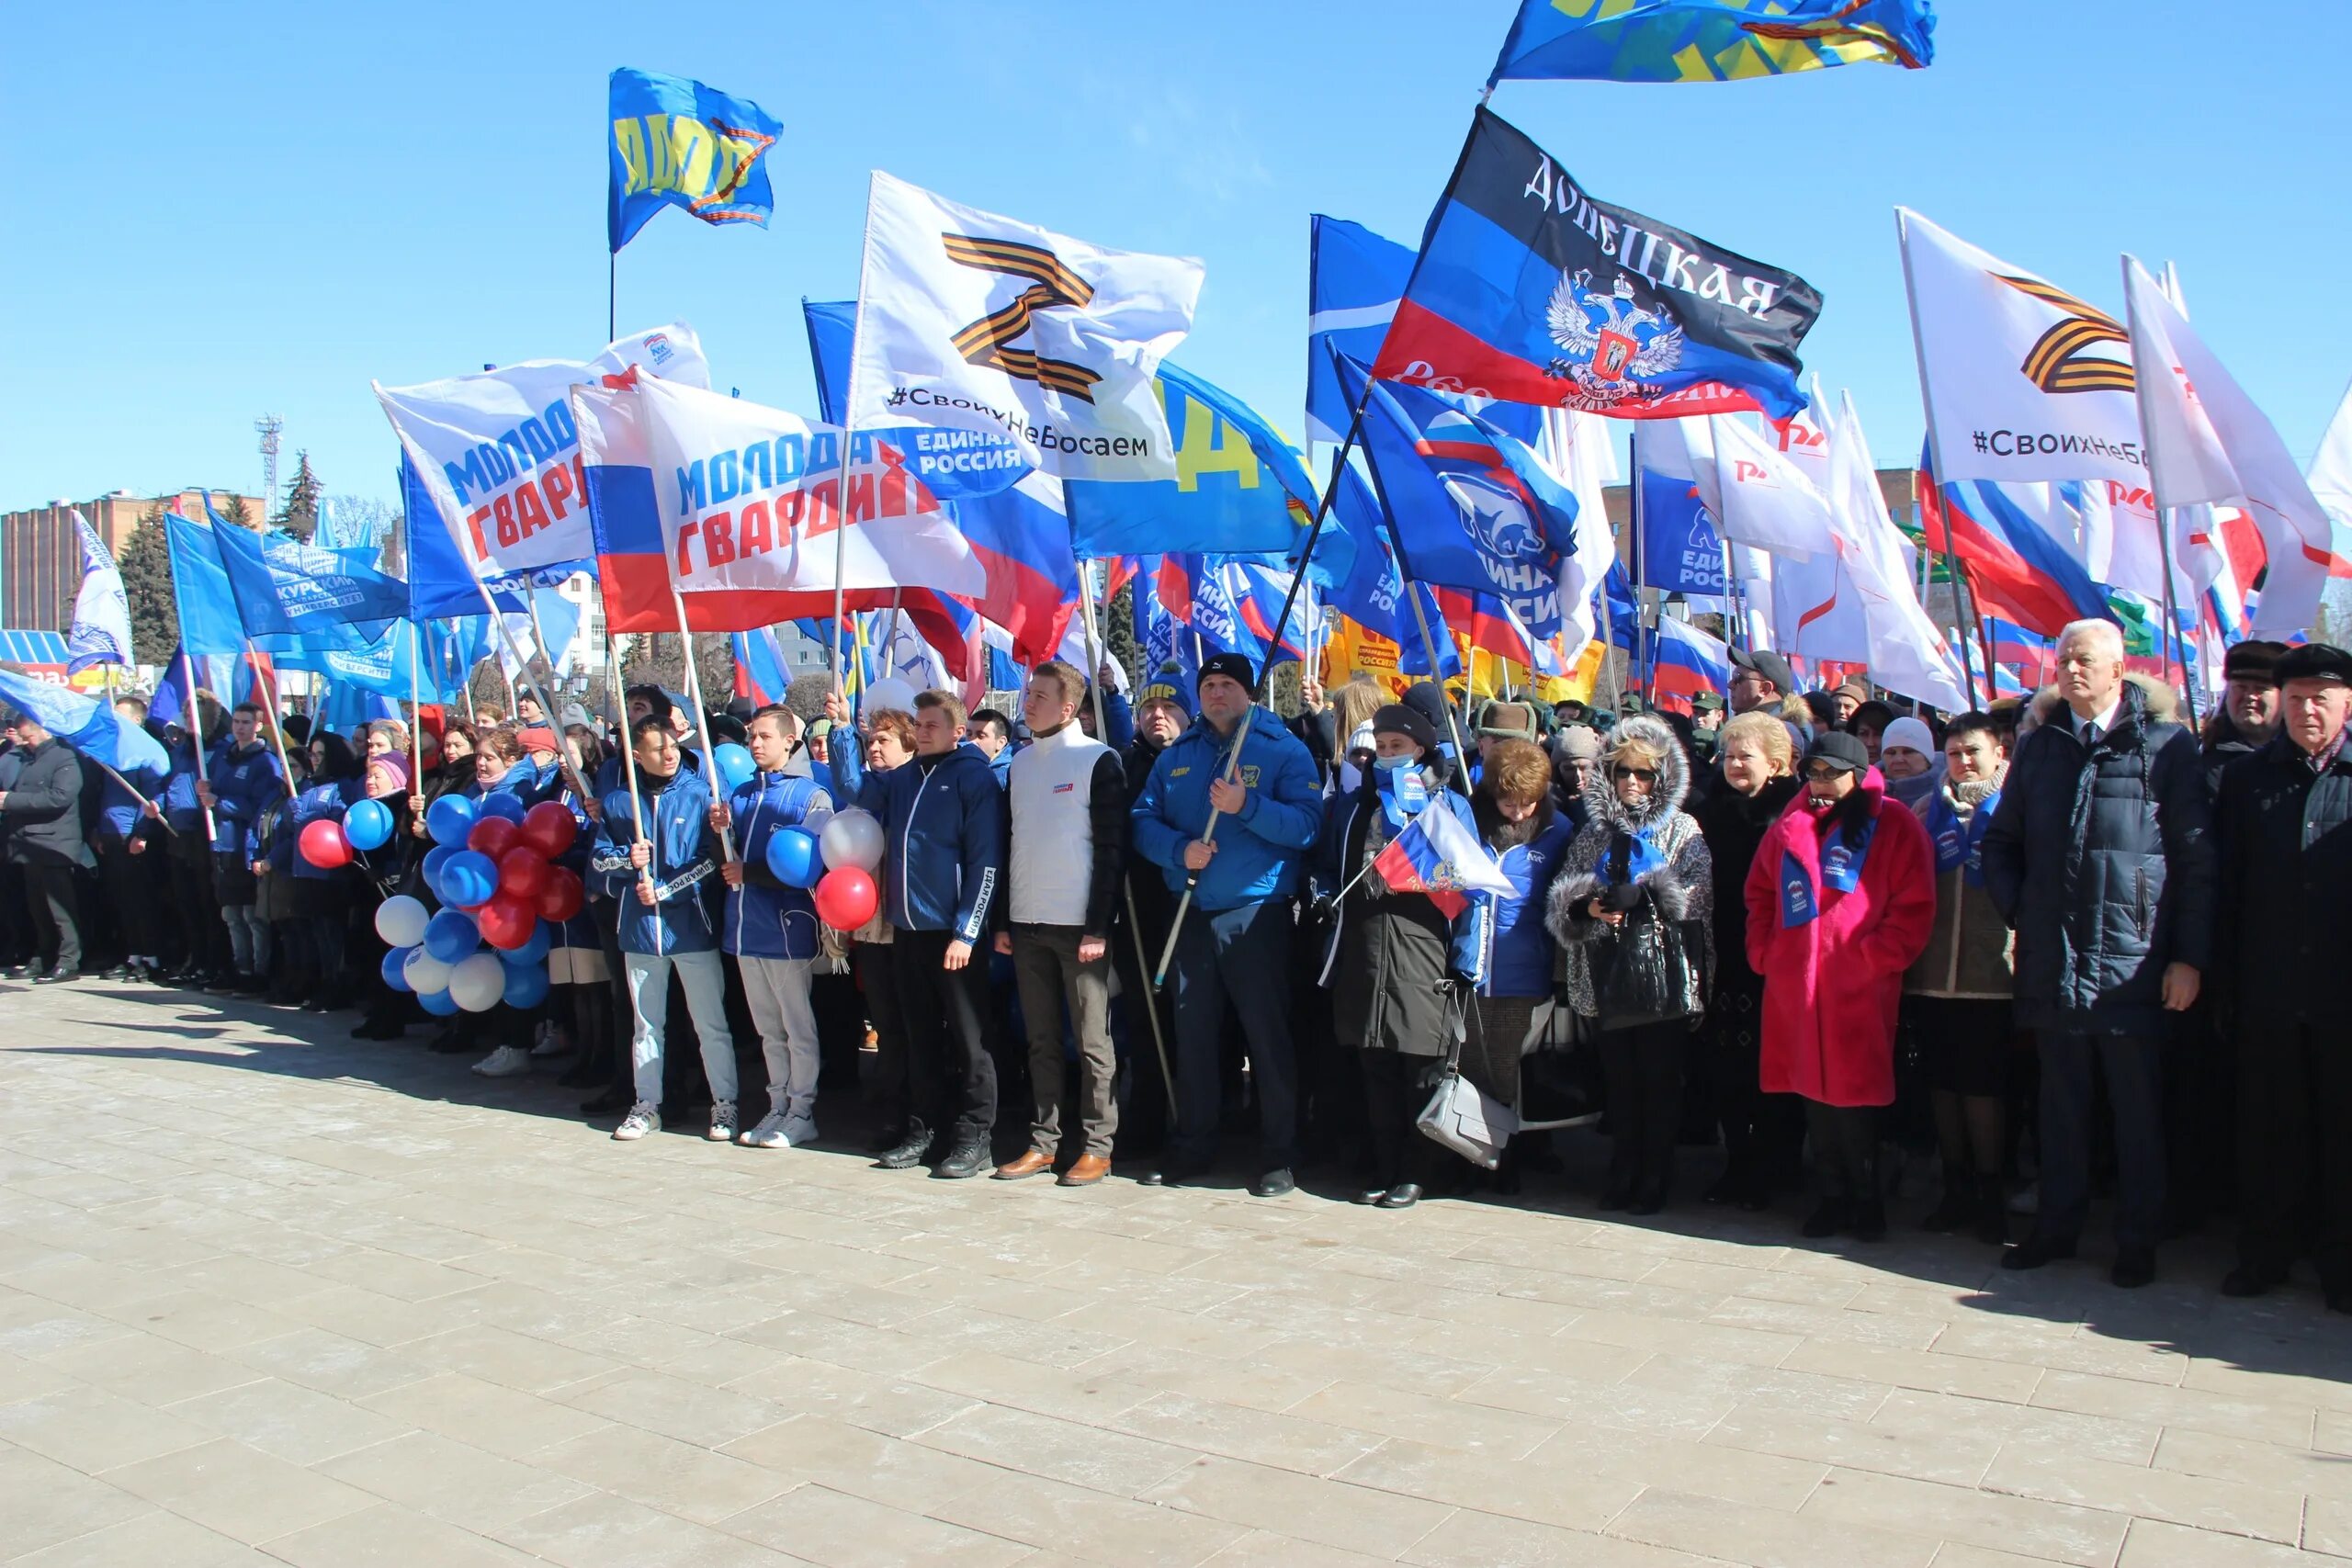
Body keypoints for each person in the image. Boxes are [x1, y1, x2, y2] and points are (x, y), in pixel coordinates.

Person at [1981, 618, 2213, 1289]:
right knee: (2061, 1105)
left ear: (2118, 669)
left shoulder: (2166, 748)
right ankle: (2057, 1226)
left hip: (2132, 965)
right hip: (2055, 958)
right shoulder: (2041, 748)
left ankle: (2137, 1238)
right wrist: (2022, 908)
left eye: (2084, 659)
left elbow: (2196, 862)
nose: (2071, 670)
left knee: (2137, 1111)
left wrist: (2187, 957)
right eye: (2063, 660)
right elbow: (2001, 843)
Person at [1131, 653, 1322, 1196]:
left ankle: (1280, 1153)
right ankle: (1194, 1143)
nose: (1217, 693)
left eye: (1227, 684)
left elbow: (1308, 827)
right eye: (1209, 684)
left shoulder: (1282, 748)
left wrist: (1247, 805)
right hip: (1191, 911)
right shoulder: (1178, 757)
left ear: (1248, 692)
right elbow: (1143, 820)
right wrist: (1178, 850)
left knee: (1266, 1036)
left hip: (1255, 912)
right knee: (1194, 1034)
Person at [1745, 732, 1936, 1242]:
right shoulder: (1791, 822)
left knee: (1855, 1097)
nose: (1822, 783)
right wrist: (1765, 951)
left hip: (1858, 983)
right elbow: (1760, 893)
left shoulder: (1893, 823)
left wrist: (1875, 959)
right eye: (1814, 773)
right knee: (1811, 1093)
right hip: (1796, 980)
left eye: (1832, 773)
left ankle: (1865, 1198)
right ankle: (1831, 1196)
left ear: (1857, 772)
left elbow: (1914, 906)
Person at [2213, 643, 2352, 1306]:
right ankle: (2264, 1252)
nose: (2306, 711)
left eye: (2320, 699)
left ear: (2347, 703)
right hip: (2268, 989)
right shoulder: (2248, 779)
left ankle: (2340, 1263)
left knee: (2340, 1134)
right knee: (2269, 1129)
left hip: (2340, 995)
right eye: (2295, 699)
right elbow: (2229, 889)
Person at [1314, 704, 1489, 1209]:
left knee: (1421, 1070)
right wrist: (1323, 895)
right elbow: (1328, 865)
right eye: (1382, 747)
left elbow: (1471, 887)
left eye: (1399, 746)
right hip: (1366, 949)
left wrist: (1464, 960)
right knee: (1376, 1069)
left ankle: (1418, 1171)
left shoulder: (1448, 807)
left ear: (1422, 749)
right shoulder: (1353, 805)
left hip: (1423, 950)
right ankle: (1384, 1163)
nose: (1388, 755)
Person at [827, 687, 1005, 1179]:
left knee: (971, 1041)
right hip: (908, 931)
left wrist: (966, 933)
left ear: (956, 732)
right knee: (919, 1037)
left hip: (952, 935)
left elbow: (985, 861)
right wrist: (843, 730)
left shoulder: (974, 779)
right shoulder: (903, 779)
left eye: (932, 726)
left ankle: (976, 1136)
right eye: (920, 724)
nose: (924, 732)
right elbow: (853, 788)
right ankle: (925, 1128)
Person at [1546, 715, 1713, 1213]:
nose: (1633, 784)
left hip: (1662, 975)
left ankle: (1656, 1174)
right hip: (1604, 973)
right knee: (1619, 1081)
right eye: (1623, 773)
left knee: (1658, 1080)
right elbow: (1564, 891)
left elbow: (1699, 894)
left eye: (1643, 774)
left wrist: (1647, 893)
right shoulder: (1596, 829)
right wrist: (1588, 905)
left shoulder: (1682, 828)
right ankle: (1624, 1168)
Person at [993, 660, 1128, 1186]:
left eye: (1041, 696)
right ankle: (1044, 1142)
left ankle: (1098, 1146)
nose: (1028, 703)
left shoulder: (1099, 759)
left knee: (1093, 1042)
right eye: (1029, 694)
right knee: (1041, 1039)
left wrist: (1099, 926)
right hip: (1027, 923)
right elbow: (1012, 845)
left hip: (1079, 928)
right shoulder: (1020, 764)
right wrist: (1005, 919)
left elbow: (1113, 850)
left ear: (1068, 708)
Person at [591, 716, 736, 1143]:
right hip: (638, 932)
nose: (669, 753)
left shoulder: (699, 796)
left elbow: (712, 860)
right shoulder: (620, 802)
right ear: (638, 755)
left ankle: (724, 1103)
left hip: (691, 928)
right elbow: (598, 861)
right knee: (646, 1025)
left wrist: (667, 889)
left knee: (710, 1022)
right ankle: (646, 1104)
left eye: (672, 744)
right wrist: (625, 859)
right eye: (657, 748)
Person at [1905, 712, 2016, 1245]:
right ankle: (1955, 1187)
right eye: (1954, 753)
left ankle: (1992, 1192)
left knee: (1985, 1087)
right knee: (1943, 1084)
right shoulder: (1927, 811)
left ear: (1999, 753)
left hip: (1994, 973)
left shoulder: (2015, 810)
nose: (1964, 762)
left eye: (1973, 751)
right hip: (1930, 972)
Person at [1690, 710, 1803, 1211]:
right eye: (1729, 755)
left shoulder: (1795, 817)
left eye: (1746, 756)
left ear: (1776, 764)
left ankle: (1781, 1164)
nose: (1734, 764)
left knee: (1775, 1065)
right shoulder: (1709, 811)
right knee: (1727, 1065)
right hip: (1721, 953)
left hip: (1777, 956)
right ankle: (1737, 1161)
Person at [714, 704, 832, 1150]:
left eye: (765, 736)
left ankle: (802, 1110)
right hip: (744, 929)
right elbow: (725, 860)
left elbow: (807, 863)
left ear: (789, 740)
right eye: (752, 737)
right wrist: (718, 830)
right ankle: (777, 1103)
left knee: (796, 1026)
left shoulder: (810, 795)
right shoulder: (742, 795)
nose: (756, 744)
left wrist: (752, 874)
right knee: (768, 1028)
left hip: (786, 928)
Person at [1469, 739, 1574, 1168]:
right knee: (1473, 1067)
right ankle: (1473, 1154)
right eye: (1509, 802)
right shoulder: (1469, 822)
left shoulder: (1559, 831)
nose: (1518, 812)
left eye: (1528, 803)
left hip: (1526, 970)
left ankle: (1514, 1157)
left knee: (1509, 1068)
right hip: (1470, 968)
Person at [198, 704, 283, 994]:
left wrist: (220, 802)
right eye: (236, 721)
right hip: (223, 845)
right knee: (231, 915)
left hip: (246, 845)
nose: (240, 727)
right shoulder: (225, 756)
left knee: (252, 916)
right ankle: (240, 967)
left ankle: (259, 973)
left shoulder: (266, 762)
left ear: (258, 725)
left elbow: (260, 808)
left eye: (246, 722)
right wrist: (207, 791)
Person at [0, 709, 89, 982]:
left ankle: (69, 959)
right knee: (37, 907)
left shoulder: (64, 757)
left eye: (29, 737)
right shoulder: (31, 759)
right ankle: (44, 954)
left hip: (53, 842)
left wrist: (10, 801)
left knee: (59, 907)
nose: (25, 743)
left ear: (43, 731)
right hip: (28, 843)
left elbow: (59, 797)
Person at [95, 696, 166, 982]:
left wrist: (141, 833)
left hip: (132, 836)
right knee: (123, 900)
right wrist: (99, 831)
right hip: (111, 833)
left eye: (121, 716)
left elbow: (152, 798)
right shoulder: (114, 751)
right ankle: (132, 954)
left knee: (141, 900)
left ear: (136, 720)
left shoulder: (144, 753)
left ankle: (151, 957)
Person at [2202, 640, 2287, 791]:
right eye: (2240, 687)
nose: (2249, 696)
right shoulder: (2201, 751)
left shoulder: (2302, 754)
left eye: (2261, 689)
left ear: (2285, 696)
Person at [1877, 716, 1940, 812]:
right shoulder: (1867, 795)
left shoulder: (1943, 799)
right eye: (1891, 752)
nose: (1898, 759)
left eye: (1908, 752)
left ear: (1927, 758)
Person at [1728, 649, 1795, 716]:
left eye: (1738, 677)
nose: (1730, 685)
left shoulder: (1778, 726)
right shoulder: (1750, 725)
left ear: (1764, 689)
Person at [967, 708, 1014, 788]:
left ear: (1001, 742)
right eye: (969, 734)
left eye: (980, 736)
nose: (972, 741)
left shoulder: (1005, 776)